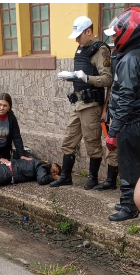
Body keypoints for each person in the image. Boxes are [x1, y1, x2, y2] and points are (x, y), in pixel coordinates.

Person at [50, 16, 112, 190]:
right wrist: (72, 77)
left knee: (92, 142)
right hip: (78, 103)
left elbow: (107, 79)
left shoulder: (101, 50)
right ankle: (66, 176)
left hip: (91, 105)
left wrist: (86, 78)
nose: (77, 39)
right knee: (69, 140)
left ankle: (92, 178)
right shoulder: (81, 48)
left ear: (89, 31)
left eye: (79, 35)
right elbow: (82, 74)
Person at [104, 7, 140, 221]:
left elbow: (125, 97)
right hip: (135, 119)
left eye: (117, 34)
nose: (115, 38)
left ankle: (129, 206)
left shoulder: (129, 60)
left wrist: (113, 130)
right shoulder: (134, 55)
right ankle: (131, 200)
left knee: (127, 164)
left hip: (130, 122)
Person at [94, 47, 119, 191]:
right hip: (114, 109)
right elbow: (110, 86)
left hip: (131, 111)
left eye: (116, 35)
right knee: (112, 145)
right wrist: (105, 109)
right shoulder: (115, 54)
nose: (115, 38)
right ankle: (111, 181)